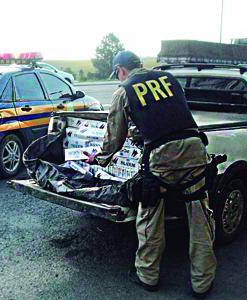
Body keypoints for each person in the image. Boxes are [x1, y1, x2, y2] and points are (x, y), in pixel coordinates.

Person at [93, 50, 216, 298]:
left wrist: (101, 158)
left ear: (120, 70)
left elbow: (114, 137)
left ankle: (147, 275)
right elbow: (174, 115)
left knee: (150, 212)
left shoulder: (124, 90)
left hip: (162, 158)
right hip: (194, 149)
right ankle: (203, 282)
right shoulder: (169, 78)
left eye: (117, 74)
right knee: (199, 215)